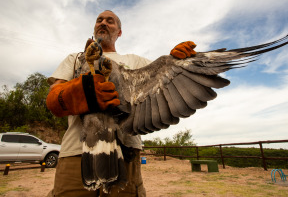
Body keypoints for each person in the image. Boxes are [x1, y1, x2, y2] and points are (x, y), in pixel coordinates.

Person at [46, 10, 196, 197]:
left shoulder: (133, 61)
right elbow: (53, 99)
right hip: (76, 151)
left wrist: (176, 61)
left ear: (119, 32)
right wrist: (77, 93)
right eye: (99, 20)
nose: (103, 23)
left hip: (125, 152)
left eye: (110, 21)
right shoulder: (76, 59)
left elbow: (171, 78)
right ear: (94, 28)